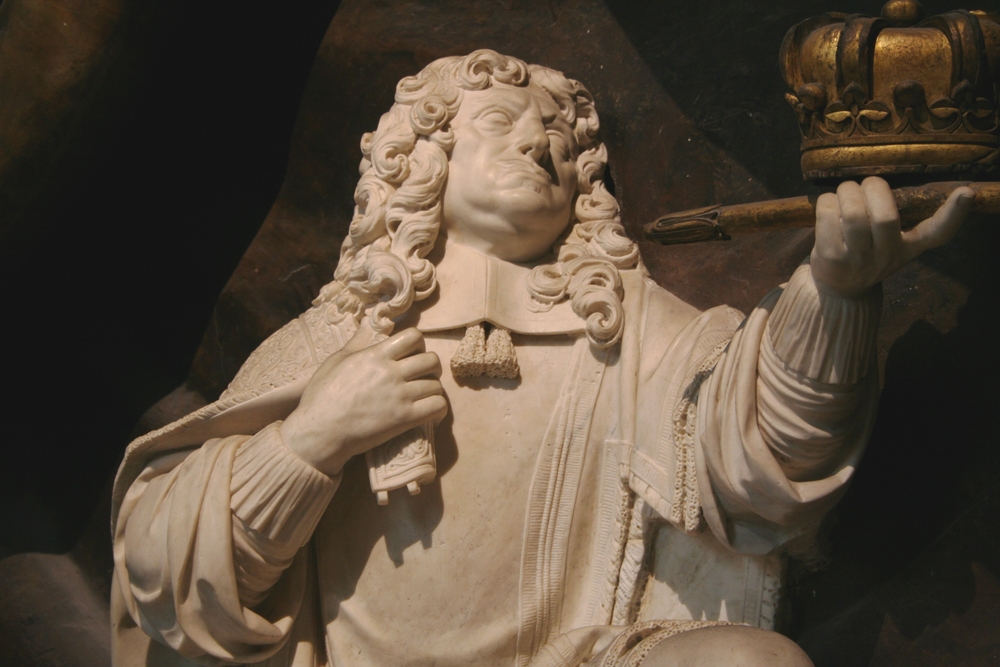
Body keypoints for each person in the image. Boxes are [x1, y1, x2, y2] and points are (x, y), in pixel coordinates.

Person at [110, 50, 973, 667]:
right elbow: (160, 566)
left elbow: (766, 463)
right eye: (500, 123)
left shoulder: (624, 326)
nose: (540, 144)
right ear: (424, 160)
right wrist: (309, 439)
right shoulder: (347, 329)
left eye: (561, 136)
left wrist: (838, 294)